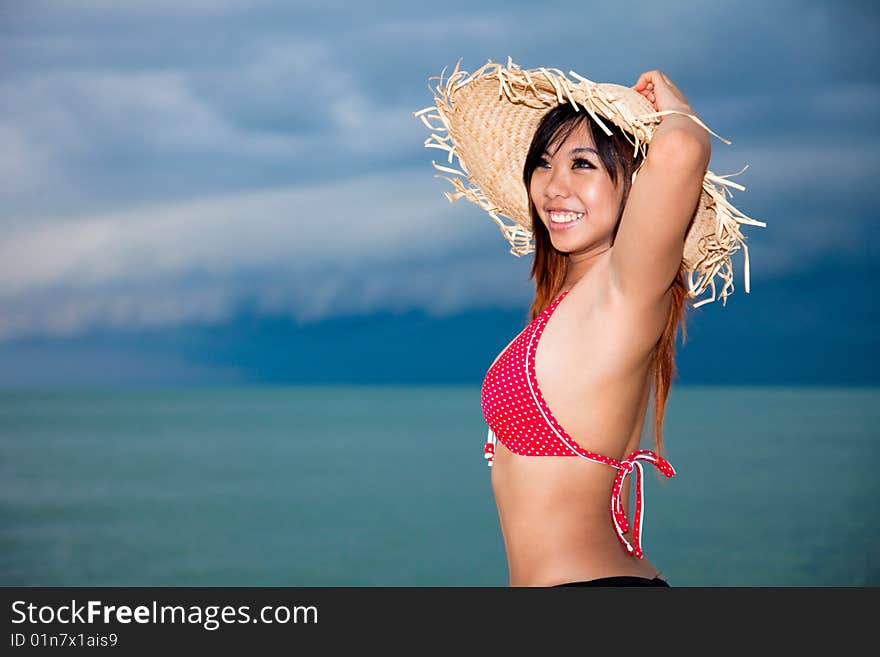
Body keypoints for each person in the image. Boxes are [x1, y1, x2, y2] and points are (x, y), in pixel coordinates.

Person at [414, 59, 765, 587]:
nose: (554, 186)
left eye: (583, 165)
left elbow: (682, 150)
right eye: (544, 164)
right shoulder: (571, 302)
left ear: (634, 186)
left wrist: (676, 110)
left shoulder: (624, 291)